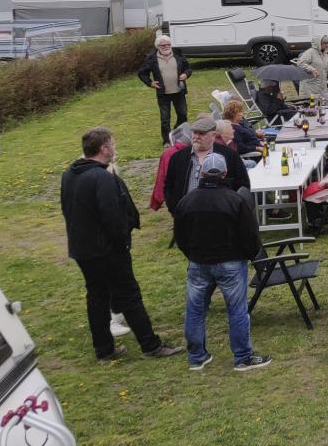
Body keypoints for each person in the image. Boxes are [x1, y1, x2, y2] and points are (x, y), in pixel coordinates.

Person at [60, 127, 183, 362]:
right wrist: (122, 241)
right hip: (107, 250)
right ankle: (150, 345)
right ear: (104, 148)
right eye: (113, 144)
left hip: (82, 249)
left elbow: (67, 209)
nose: (115, 148)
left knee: (97, 297)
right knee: (129, 296)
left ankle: (104, 350)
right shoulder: (103, 178)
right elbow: (113, 217)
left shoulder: (70, 174)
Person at [174, 153, 270, 371]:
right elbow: (250, 234)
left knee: (195, 310)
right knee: (237, 310)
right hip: (231, 263)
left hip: (198, 263)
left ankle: (196, 357)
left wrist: (192, 254)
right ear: (225, 173)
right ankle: (243, 357)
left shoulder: (186, 201)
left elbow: (180, 236)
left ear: (202, 173)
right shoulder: (235, 200)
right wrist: (248, 255)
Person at [162, 116, 250, 217]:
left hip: (220, 215)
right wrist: (174, 209)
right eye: (194, 132)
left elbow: (242, 184)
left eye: (202, 133)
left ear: (213, 135)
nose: (196, 136)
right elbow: (169, 185)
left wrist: (233, 209)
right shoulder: (178, 157)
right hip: (186, 215)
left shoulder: (229, 156)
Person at [137, 34, 191, 145]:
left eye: (168, 44)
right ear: (158, 46)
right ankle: (167, 141)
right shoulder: (151, 58)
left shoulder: (178, 54)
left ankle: (179, 134)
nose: (166, 47)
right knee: (165, 119)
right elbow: (142, 73)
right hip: (163, 93)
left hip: (179, 91)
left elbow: (188, 68)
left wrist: (186, 74)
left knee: (183, 114)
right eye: (163, 45)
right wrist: (150, 83)